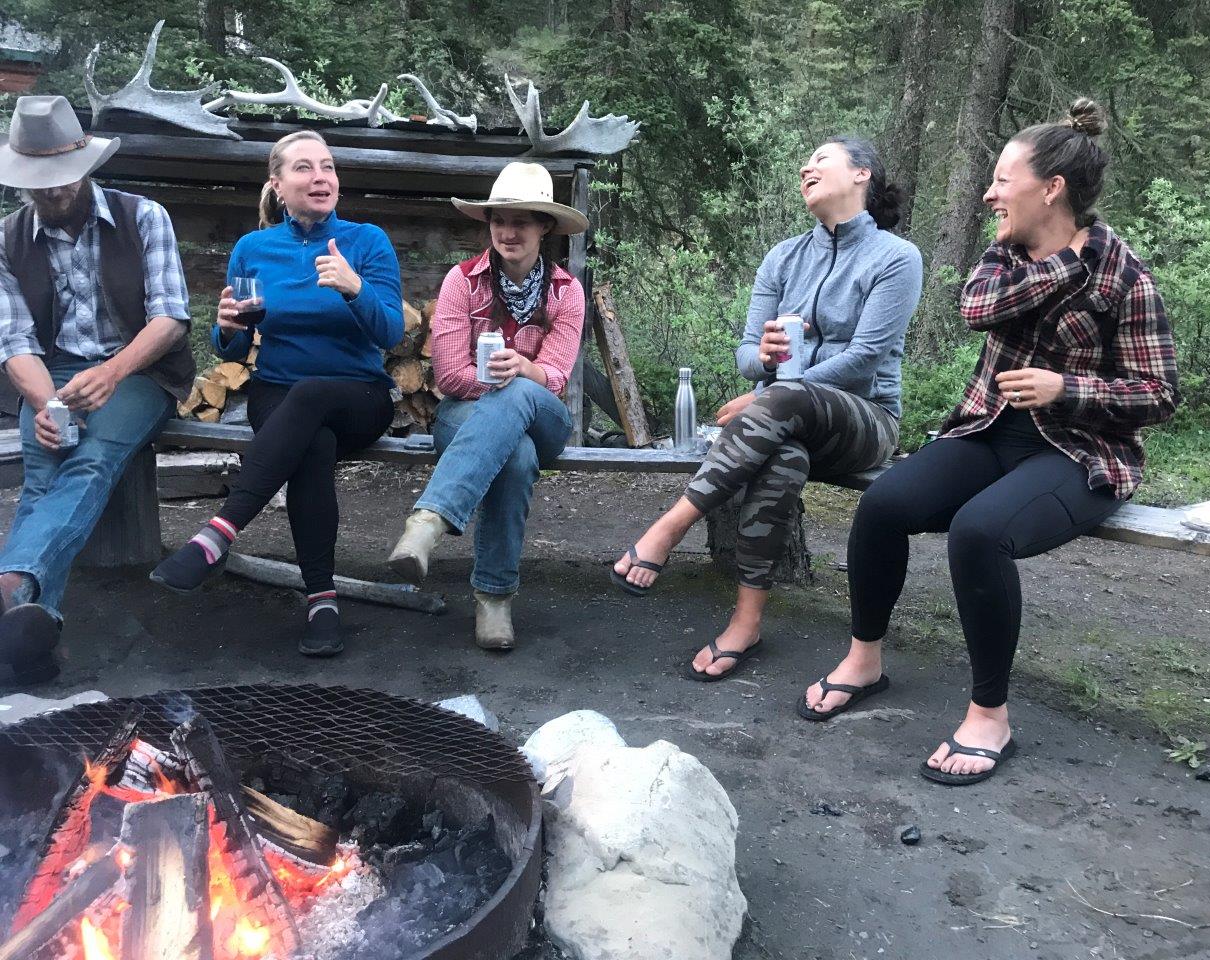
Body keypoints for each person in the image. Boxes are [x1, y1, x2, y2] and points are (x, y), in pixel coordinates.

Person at [810, 99, 1178, 785]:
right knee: (885, 504)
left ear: (1051, 188)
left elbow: (1159, 394)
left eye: (1003, 180)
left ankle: (990, 715)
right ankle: (865, 660)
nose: (988, 193)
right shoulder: (1005, 255)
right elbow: (975, 308)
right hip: (986, 430)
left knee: (980, 532)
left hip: (1078, 455)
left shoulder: (1127, 277)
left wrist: (1067, 389)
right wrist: (1068, 265)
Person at [611, 136, 923, 682]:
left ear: (862, 175)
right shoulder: (783, 256)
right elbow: (745, 351)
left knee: (785, 397)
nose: (808, 166)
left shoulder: (896, 258)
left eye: (822, 159)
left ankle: (670, 526)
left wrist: (768, 394)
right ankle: (746, 623)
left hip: (867, 421)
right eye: (806, 161)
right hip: (787, 420)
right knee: (781, 462)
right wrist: (760, 357)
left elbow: (865, 359)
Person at [150, 130, 403, 657]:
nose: (321, 178)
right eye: (305, 168)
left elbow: (390, 335)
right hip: (276, 394)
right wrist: (225, 326)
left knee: (309, 398)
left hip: (359, 396)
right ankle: (322, 602)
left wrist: (355, 288)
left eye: (328, 167)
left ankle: (218, 533)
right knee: (310, 444)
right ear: (278, 184)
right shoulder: (253, 248)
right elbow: (231, 347)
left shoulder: (366, 241)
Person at [0, 96, 195, 685]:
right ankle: (28, 638)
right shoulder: (6, 239)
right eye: (41, 184)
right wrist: (42, 405)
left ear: (85, 167)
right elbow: (15, 340)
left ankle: (13, 585)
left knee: (87, 462)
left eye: (62, 179)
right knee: (43, 472)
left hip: (140, 371)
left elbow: (170, 319)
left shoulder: (143, 217)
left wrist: (111, 373)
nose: (54, 192)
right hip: (52, 373)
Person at [386, 161, 586, 650]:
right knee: (513, 456)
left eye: (521, 220)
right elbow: (450, 375)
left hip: (545, 418)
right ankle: (494, 598)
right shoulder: (462, 281)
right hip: (464, 414)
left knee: (519, 396)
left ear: (545, 227)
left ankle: (430, 520)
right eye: (499, 219)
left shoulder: (567, 291)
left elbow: (556, 378)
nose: (508, 230)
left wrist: (522, 371)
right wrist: (505, 385)